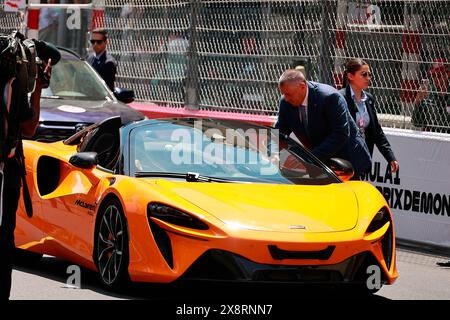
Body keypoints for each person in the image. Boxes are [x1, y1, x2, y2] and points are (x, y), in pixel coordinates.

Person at [0, 32, 59, 300]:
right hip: (5, 172)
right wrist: (37, 91)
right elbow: (29, 127)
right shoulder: (10, 78)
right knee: (3, 242)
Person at [275, 69, 371, 178]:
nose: (286, 98)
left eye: (288, 94)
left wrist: (307, 158)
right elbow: (279, 133)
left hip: (348, 161)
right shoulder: (286, 102)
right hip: (319, 160)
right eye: (283, 94)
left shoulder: (330, 97)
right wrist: (272, 153)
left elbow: (341, 134)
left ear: (302, 86)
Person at [340, 58, 399, 175]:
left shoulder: (369, 99)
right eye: (364, 74)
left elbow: (376, 131)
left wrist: (390, 157)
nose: (368, 78)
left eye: (369, 74)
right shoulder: (339, 98)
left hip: (361, 160)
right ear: (350, 76)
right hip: (343, 162)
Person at [412, 58, 450, 133]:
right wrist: (417, 102)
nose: (435, 79)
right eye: (433, 76)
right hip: (430, 136)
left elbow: (445, 125)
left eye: (438, 75)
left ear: (448, 74)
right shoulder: (428, 92)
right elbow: (416, 123)